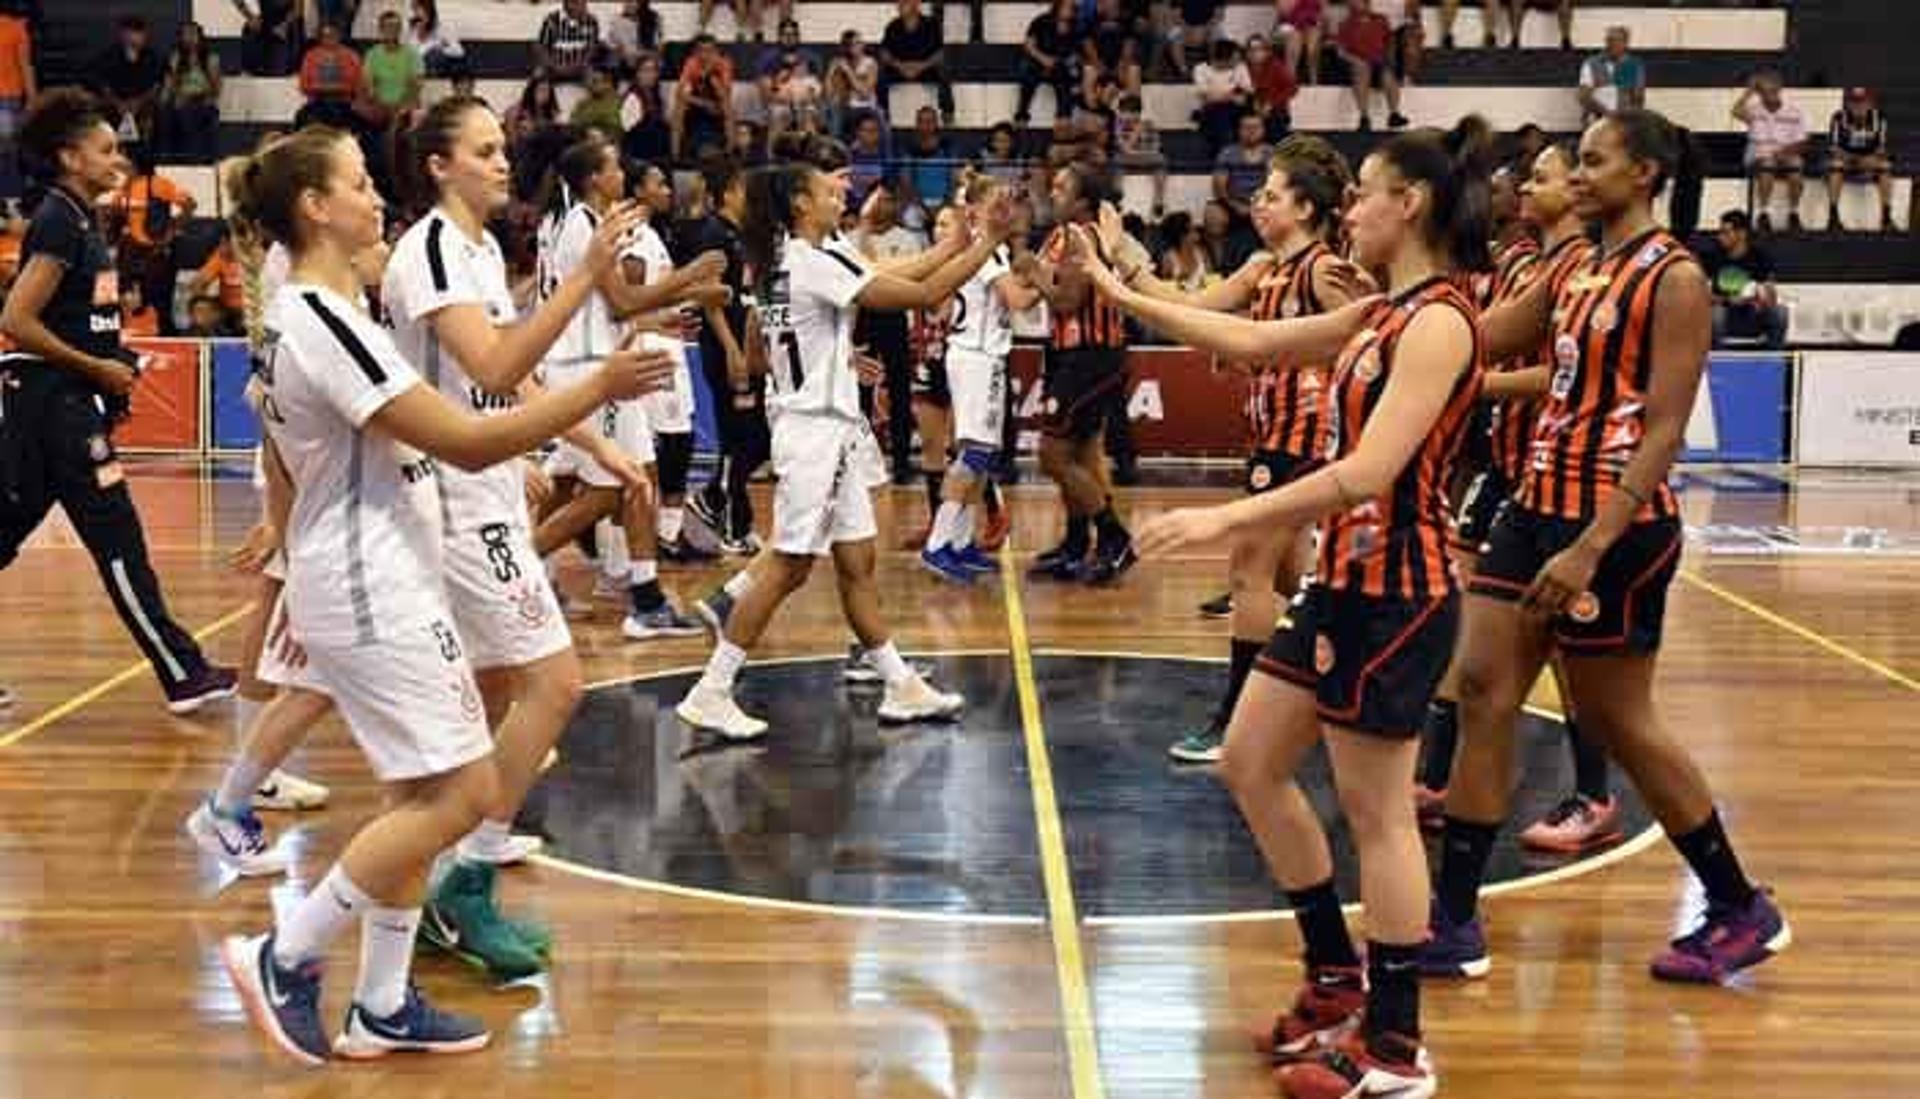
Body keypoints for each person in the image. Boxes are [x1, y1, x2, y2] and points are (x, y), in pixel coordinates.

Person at [215, 124, 671, 1066]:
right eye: (354, 182)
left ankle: (381, 1001)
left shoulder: (312, 315)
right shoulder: (325, 320)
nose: (373, 195)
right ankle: (288, 951)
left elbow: (316, 447)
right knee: (462, 792)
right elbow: (466, 434)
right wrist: (599, 393)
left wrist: (287, 534)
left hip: (370, 569)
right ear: (313, 208)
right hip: (372, 581)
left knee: (417, 791)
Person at [1083, 117, 1498, 1099]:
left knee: (1379, 814)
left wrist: (1217, 519)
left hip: (1398, 589)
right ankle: (1331, 979)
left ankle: (1396, 1047)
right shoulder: (1380, 313)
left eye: (1364, 192)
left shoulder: (1439, 321)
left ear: (1413, 205)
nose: (1348, 206)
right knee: (1250, 760)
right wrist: (1120, 292)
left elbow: (1367, 471)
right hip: (1343, 584)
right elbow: (1255, 338)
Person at [1425, 108, 1789, 987]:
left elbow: (1665, 430)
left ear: (1647, 176)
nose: (1577, 174)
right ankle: (1454, 919)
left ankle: (1739, 905)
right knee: (1481, 689)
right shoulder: (1577, 264)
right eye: (1575, 162)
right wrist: (1391, 321)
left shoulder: (1676, 278)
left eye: (1593, 161)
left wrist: (1592, 544)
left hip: (1613, 525)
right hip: (1532, 504)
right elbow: (1489, 337)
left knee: (1621, 721)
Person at [380, 96, 662, 978]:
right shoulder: (428, 248)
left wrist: (591, 439)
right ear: (439, 165)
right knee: (556, 680)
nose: (504, 163)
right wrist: (583, 279)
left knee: (494, 687)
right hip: (454, 492)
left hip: (486, 476)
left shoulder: (472, 247)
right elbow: (494, 367)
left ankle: (419, 881)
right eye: (485, 150)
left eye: (503, 149)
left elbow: (512, 365)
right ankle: (461, 879)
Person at [674, 156, 1010, 740]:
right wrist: (989, 244)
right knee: (788, 566)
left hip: (821, 423)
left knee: (857, 562)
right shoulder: (813, 261)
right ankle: (712, 689)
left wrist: (961, 239)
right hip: (815, 430)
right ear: (800, 204)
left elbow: (759, 351)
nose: (838, 195)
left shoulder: (778, 260)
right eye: (826, 190)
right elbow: (921, 290)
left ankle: (899, 683)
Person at [0, 88, 235, 713]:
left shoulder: (81, 219)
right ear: (70, 157)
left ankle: (184, 671)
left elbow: (81, 318)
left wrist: (114, 355)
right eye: (105, 150)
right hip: (54, 407)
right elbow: (17, 319)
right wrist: (96, 367)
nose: (119, 159)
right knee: (119, 539)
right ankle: (184, 674)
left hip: (61, 404)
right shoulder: (56, 219)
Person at [1419, 145, 1620, 851]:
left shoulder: (1582, 267)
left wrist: (1458, 380)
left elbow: (1547, 375)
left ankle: (1594, 792)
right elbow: (1490, 342)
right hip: (1516, 471)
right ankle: (1440, 774)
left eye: (1537, 176)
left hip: (1562, 483)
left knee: (1562, 650)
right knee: (1476, 635)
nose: (1520, 188)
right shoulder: (1523, 260)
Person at [1148, 134, 1363, 763]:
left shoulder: (1323, 269)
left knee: (1248, 571)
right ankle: (1350, 684)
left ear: (1304, 208)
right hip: (1275, 434)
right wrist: (1123, 272)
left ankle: (1236, 720)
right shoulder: (1264, 269)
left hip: (1301, 438)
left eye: (1270, 196)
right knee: (1301, 580)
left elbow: (1372, 338)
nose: (1257, 205)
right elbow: (1192, 309)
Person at [528, 142, 722, 632]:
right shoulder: (587, 224)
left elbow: (604, 307)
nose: (623, 173)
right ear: (596, 178)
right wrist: (692, 277)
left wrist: (664, 314)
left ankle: (568, 578)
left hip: (570, 359)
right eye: (614, 167)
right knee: (624, 484)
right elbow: (620, 302)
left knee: (584, 480)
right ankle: (525, 568)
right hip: (593, 365)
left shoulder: (558, 219)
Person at [920, 176, 1042, 582]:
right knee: (973, 455)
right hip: (975, 357)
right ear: (971, 210)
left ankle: (960, 542)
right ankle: (938, 544)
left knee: (981, 456)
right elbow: (1019, 301)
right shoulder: (983, 250)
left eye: (1006, 202)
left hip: (979, 356)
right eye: (995, 203)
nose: (1004, 209)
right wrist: (1047, 277)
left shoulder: (991, 250)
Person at [1020, 165, 1137, 584]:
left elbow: (1067, 301)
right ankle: (1075, 543)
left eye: (1061, 187)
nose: (1052, 193)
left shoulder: (1080, 236)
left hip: (1091, 355)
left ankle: (1114, 536)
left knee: (1051, 455)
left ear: (1083, 200)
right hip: (1070, 352)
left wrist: (1035, 274)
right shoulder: (1061, 235)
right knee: (1080, 453)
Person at [686, 156, 768, 554]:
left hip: (749, 347)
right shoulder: (714, 234)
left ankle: (712, 501)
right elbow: (710, 300)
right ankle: (735, 522)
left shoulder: (742, 233)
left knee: (755, 436)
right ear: (731, 190)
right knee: (739, 436)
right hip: (725, 349)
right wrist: (733, 350)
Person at [1732, 70, 1807, 234]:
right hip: (1758, 154)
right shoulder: (1754, 109)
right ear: (1760, 93)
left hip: (1785, 153)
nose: (1769, 95)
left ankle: (1793, 213)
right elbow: (1735, 111)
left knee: (1797, 164)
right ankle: (1763, 213)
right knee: (1768, 163)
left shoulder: (1794, 111)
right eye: (1765, 91)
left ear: (1780, 89)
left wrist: (1786, 152)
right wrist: (1749, 91)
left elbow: (1802, 141)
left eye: (1773, 90)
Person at [1702, 209, 1787, 349]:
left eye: (1725, 232)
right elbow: (1702, 294)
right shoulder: (1713, 256)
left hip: (1752, 314)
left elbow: (1771, 297)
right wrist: (1727, 300)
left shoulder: (1759, 257)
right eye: (1720, 232)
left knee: (1780, 313)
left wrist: (1760, 298)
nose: (1720, 237)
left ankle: (1773, 362)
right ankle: (1719, 361)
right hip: (1725, 314)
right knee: (1716, 314)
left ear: (1741, 234)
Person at [1825, 87, 1893, 232]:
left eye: (1862, 102)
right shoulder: (1838, 117)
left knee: (1885, 166)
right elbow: (1833, 147)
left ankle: (1886, 217)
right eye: (1854, 102)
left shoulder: (1880, 118)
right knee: (1835, 165)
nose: (1858, 106)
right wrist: (1853, 159)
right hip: (1846, 160)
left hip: (1870, 160)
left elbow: (1882, 147)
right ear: (1848, 104)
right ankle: (1833, 216)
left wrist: (1870, 159)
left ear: (1870, 103)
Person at [881, 0, 954, 124]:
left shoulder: (931, 24)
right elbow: (885, 54)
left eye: (904, 3)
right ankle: (883, 114)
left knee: (943, 72)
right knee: (881, 76)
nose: (899, 6)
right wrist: (899, 66)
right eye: (899, 3)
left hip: (925, 68)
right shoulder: (892, 26)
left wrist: (921, 66)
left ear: (916, 4)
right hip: (901, 68)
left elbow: (939, 54)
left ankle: (947, 113)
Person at [157, 21, 221, 163]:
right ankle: (167, 159)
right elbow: (169, 83)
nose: (190, 37)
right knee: (165, 113)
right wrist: (164, 101)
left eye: (193, 33)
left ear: (200, 37)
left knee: (188, 112)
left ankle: (194, 159)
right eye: (186, 34)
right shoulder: (176, 58)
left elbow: (215, 90)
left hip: (203, 101)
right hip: (179, 100)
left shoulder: (211, 59)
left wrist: (192, 98)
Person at [1338, 0, 1406, 132]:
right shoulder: (1346, 24)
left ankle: (1394, 114)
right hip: (1357, 62)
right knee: (1362, 69)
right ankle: (1364, 117)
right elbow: (1341, 51)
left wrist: (1389, 60)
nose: (1363, 4)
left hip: (1378, 60)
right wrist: (1355, 60)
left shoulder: (1381, 19)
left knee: (1387, 74)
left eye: (1365, 2)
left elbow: (1390, 42)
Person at [1016, 0, 1083, 127]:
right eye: (1066, 6)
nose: (1069, 9)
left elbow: (1077, 52)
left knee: (1067, 76)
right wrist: (1043, 59)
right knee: (1027, 72)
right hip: (1039, 59)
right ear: (1058, 6)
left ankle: (1063, 116)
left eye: (1071, 7)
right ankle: (1021, 114)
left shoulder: (1076, 26)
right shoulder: (1042, 20)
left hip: (1060, 64)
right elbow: (1029, 45)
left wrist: (1064, 62)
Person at [1577, 26, 1644, 124]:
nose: (1612, 44)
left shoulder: (1634, 65)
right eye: (1609, 40)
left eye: (1617, 41)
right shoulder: (1591, 63)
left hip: (1624, 121)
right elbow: (1583, 96)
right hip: (1597, 119)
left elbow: (1638, 98)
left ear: (1625, 43)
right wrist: (1607, 114)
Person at [535, 0, 601, 84]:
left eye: (584, 3)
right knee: (538, 77)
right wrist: (554, 66)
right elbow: (541, 47)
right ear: (567, 4)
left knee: (596, 80)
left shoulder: (591, 21)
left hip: (581, 68)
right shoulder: (552, 20)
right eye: (579, 4)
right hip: (553, 67)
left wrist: (579, 64)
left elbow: (592, 48)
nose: (584, 7)